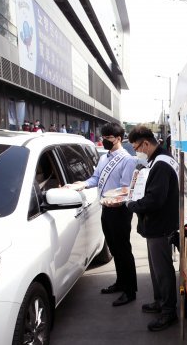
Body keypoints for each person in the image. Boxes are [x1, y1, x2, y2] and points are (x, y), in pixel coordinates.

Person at [65, 122, 139, 307]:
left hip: (120, 211)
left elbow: (125, 189)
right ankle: (120, 282)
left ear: (119, 139)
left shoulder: (127, 160)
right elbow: (96, 178)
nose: (104, 141)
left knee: (123, 250)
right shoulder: (104, 158)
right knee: (114, 249)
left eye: (108, 138)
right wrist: (80, 184)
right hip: (106, 208)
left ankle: (130, 291)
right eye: (103, 138)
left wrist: (111, 199)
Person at [119, 125, 180, 331]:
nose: (137, 152)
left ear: (146, 143)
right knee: (155, 269)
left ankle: (168, 311)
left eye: (137, 147)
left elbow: (155, 199)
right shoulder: (159, 159)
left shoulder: (161, 164)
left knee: (162, 270)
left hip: (160, 225)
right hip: (157, 224)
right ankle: (160, 301)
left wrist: (131, 205)